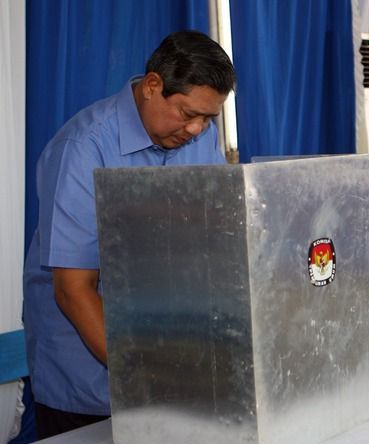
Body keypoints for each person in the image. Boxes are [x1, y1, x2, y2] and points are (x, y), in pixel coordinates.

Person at [23, 30, 235, 439]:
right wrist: (146, 384)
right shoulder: (84, 147)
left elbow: (211, 244)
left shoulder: (199, 139)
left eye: (209, 118)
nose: (196, 130)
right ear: (153, 85)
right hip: (90, 384)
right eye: (188, 113)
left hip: (177, 370)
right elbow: (72, 289)